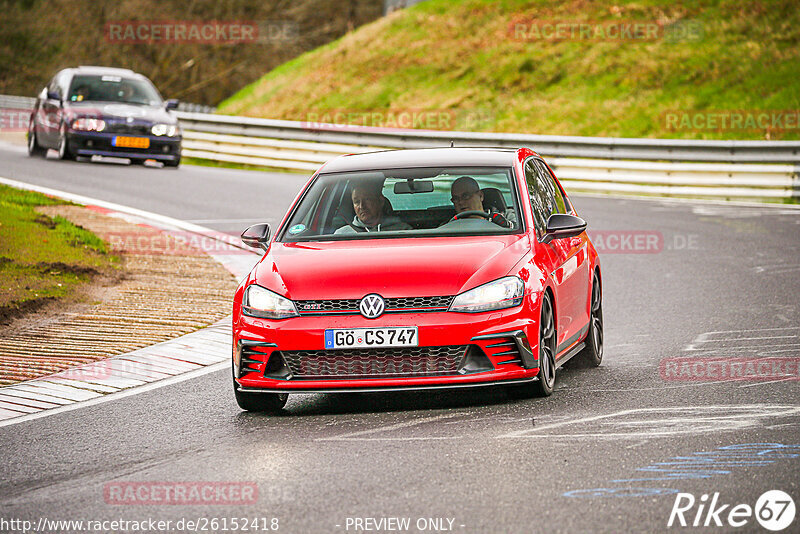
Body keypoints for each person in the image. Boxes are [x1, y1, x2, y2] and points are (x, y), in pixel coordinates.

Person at [335, 181, 412, 234]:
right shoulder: (342, 234)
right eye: (357, 202)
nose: (362, 206)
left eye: (367, 199)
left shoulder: (403, 230)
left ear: (381, 201)